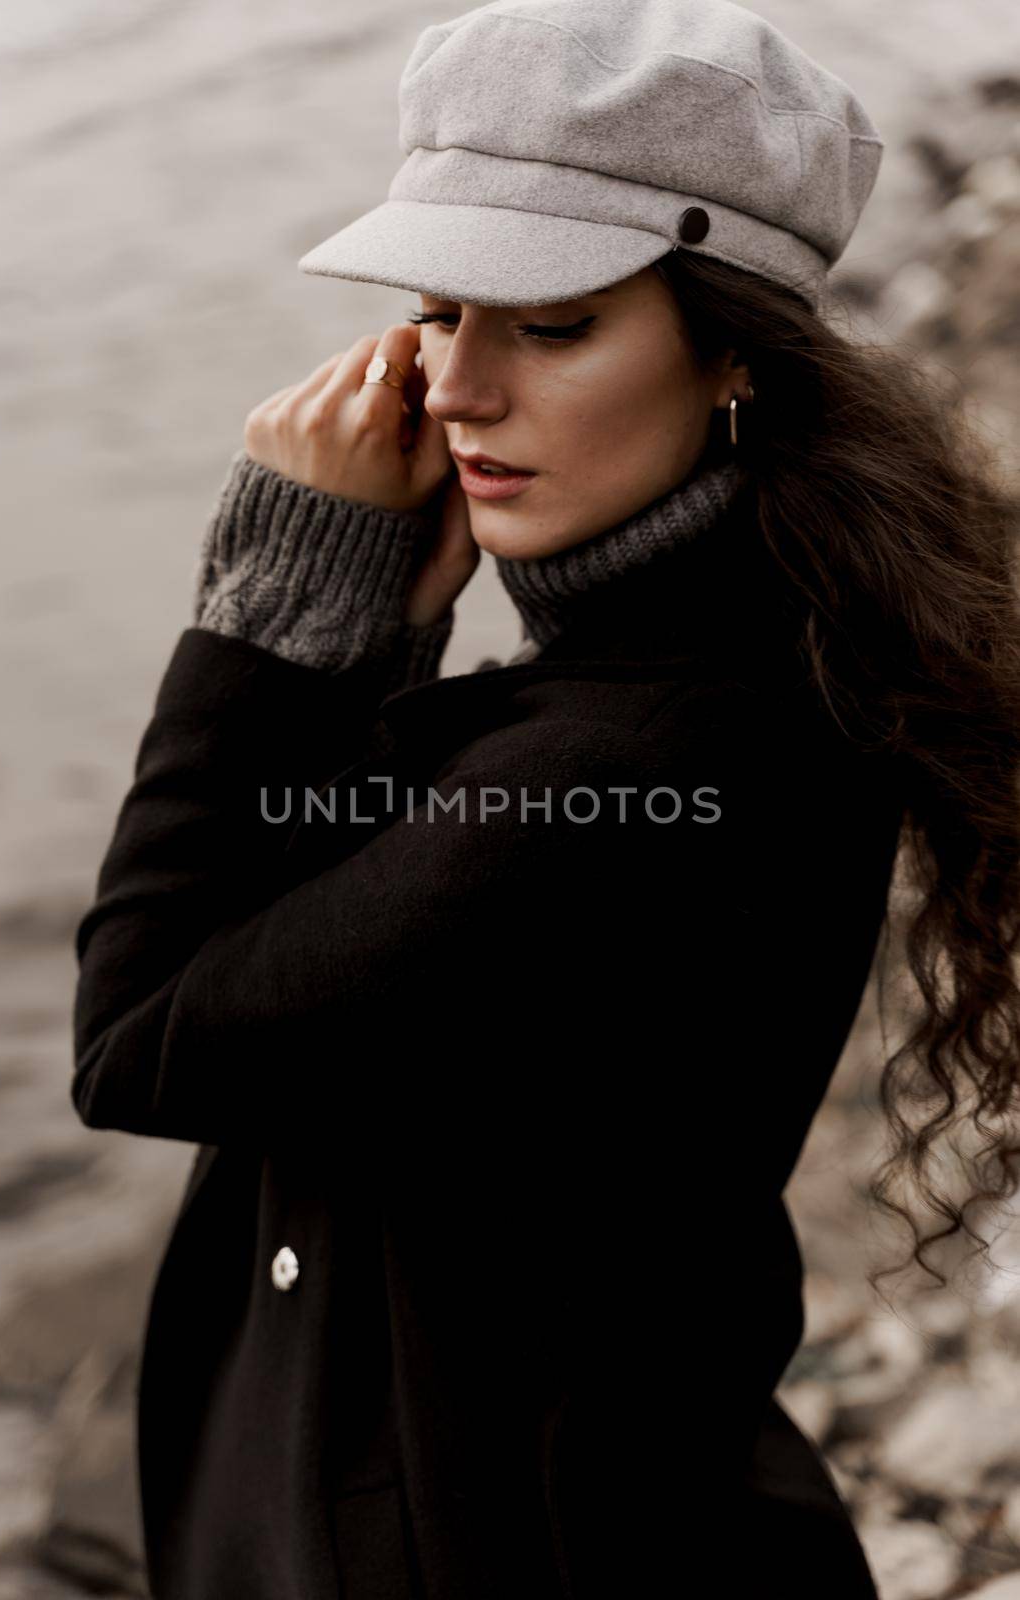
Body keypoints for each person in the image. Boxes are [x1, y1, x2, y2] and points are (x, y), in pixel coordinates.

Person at [70, 2, 1020, 1597]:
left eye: (553, 324)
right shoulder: (773, 641)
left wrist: (278, 626)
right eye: (439, 310)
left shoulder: (621, 772)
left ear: (733, 349)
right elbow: (368, 953)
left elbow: (140, 1033)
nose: (455, 387)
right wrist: (378, 658)